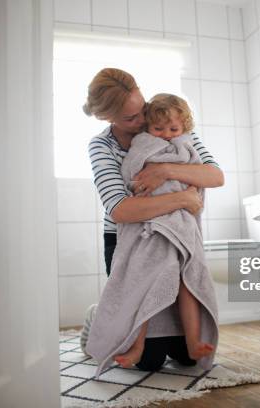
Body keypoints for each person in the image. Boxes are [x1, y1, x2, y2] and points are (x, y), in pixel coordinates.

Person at [81, 68, 224, 371]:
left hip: (173, 234)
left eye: (141, 109)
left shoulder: (168, 125)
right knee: (149, 360)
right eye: (131, 118)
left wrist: (167, 171)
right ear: (109, 118)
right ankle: (100, 317)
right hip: (130, 239)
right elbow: (120, 209)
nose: (143, 122)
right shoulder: (102, 146)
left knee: (187, 357)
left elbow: (214, 175)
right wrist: (183, 199)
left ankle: (177, 335)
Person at [112, 93, 215, 368]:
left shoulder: (190, 142)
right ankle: (136, 346)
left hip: (181, 226)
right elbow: (131, 177)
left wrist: (170, 172)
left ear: (184, 127)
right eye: (159, 129)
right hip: (152, 227)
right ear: (148, 126)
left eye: (174, 130)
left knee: (187, 283)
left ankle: (193, 342)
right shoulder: (141, 144)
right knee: (146, 281)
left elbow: (213, 176)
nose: (167, 136)